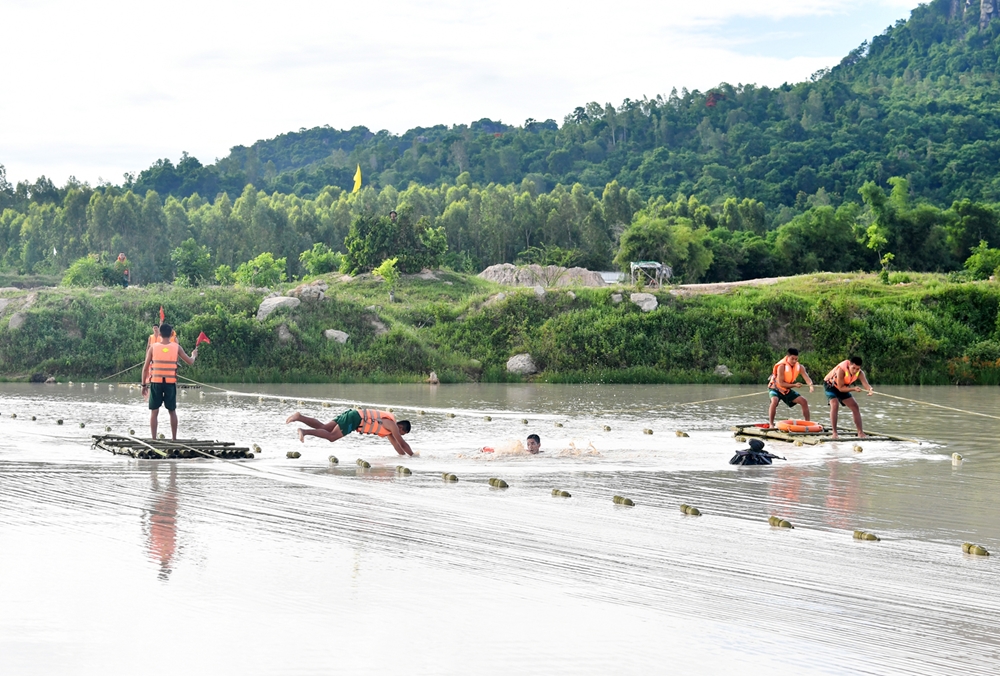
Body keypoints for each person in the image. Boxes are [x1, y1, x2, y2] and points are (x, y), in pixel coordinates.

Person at [141, 323, 198, 440]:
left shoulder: (153, 347)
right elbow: (190, 361)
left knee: (154, 411)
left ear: (160, 334)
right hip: (170, 383)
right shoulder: (177, 347)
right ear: (172, 333)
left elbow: (145, 368)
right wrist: (194, 355)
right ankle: (174, 438)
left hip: (156, 383)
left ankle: (154, 439)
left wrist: (143, 385)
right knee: (172, 411)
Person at [287, 408, 414, 456]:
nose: (399, 434)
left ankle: (299, 417)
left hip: (354, 415)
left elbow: (397, 447)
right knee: (332, 437)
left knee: (325, 427)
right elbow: (402, 444)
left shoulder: (389, 431)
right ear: (401, 428)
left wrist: (405, 458)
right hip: (355, 419)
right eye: (402, 433)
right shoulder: (392, 425)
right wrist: (414, 456)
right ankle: (304, 431)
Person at [823, 356, 874, 439]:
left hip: (844, 387)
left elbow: (866, 385)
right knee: (835, 404)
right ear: (849, 365)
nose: (855, 371)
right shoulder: (841, 370)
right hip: (830, 386)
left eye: (857, 369)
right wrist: (853, 389)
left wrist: (870, 389)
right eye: (853, 368)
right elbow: (840, 389)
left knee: (855, 406)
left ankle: (860, 433)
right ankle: (834, 433)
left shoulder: (860, 373)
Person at [767, 348, 815, 428]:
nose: (794, 361)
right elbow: (781, 383)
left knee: (804, 401)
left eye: (796, 359)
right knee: (774, 401)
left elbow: (807, 377)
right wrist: (795, 385)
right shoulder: (781, 366)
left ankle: (808, 424)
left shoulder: (800, 367)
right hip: (775, 388)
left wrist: (811, 385)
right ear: (787, 357)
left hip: (786, 390)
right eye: (792, 359)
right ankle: (771, 424)